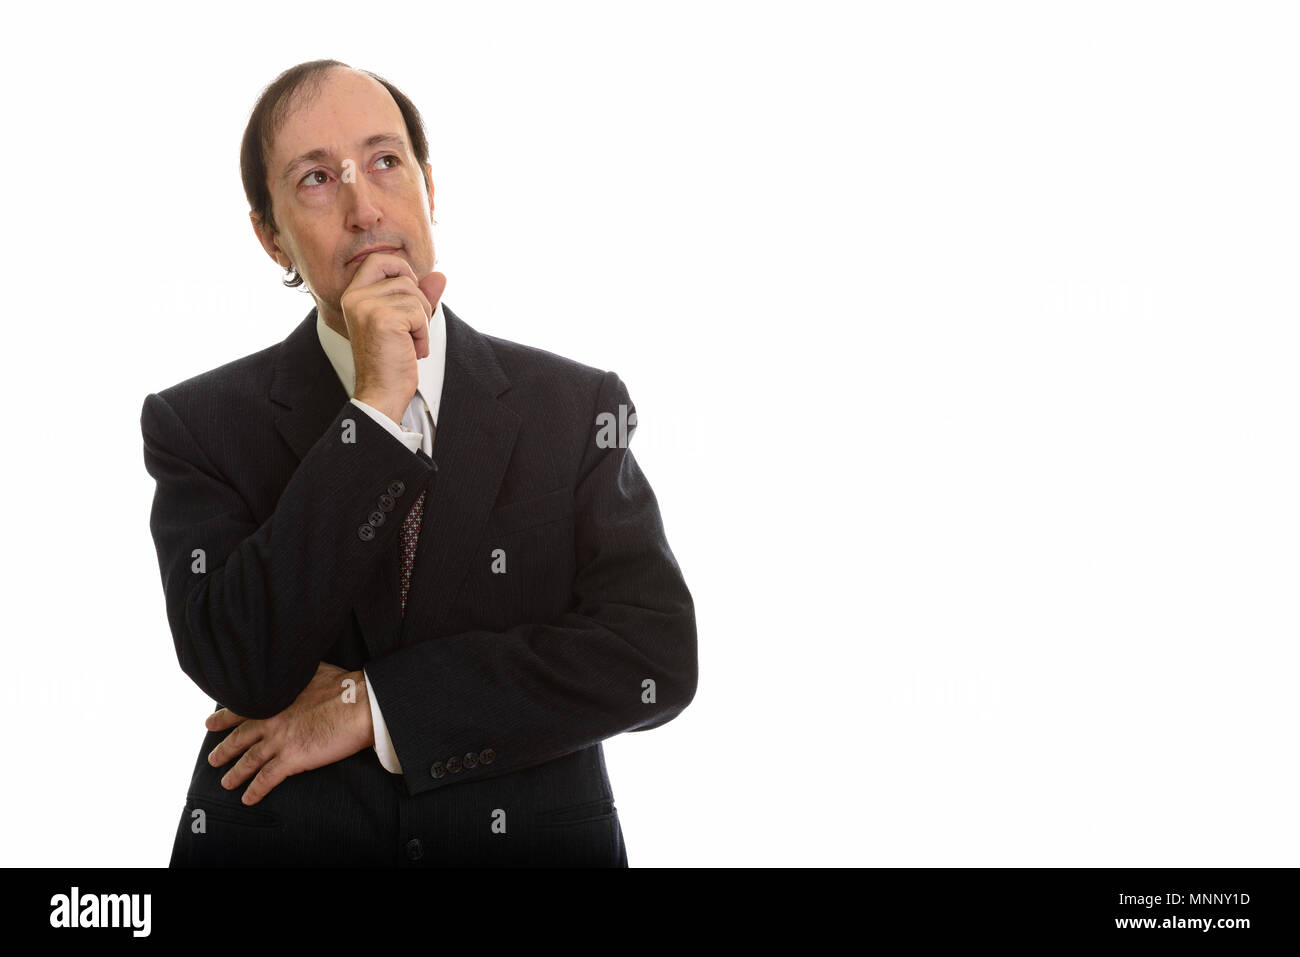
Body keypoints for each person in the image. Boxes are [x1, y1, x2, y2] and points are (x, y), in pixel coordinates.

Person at [140, 59, 697, 867]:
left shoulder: (576, 409)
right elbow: (242, 662)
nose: (365, 207)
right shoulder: (197, 423)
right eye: (317, 179)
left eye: (385, 162)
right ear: (271, 236)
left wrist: (377, 706)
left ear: (429, 186)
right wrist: (374, 412)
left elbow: (654, 657)